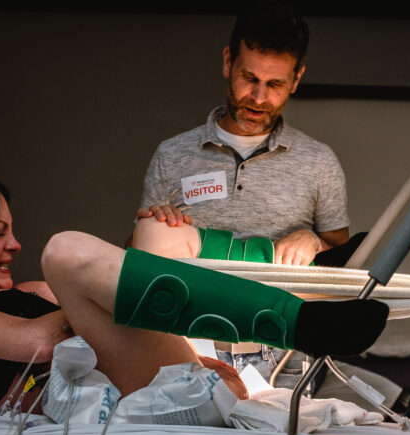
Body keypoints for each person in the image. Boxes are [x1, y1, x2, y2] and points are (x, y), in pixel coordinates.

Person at [0, 164, 386, 413]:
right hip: (117, 400)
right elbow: (38, 344)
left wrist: (130, 283)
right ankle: (299, 322)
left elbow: (110, 324)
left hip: (165, 370)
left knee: (155, 233)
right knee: (66, 252)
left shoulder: (30, 290)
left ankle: (314, 275)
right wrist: (102, 293)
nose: (15, 245)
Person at [132, 1, 351, 386]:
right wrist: (158, 225)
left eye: (275, 84)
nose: (259, 97)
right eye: (249, 78)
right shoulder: (171, 155)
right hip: (188, 343)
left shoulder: (319, 161)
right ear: (228, 62)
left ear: (296, 79)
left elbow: (345, 262)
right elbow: (137, 266)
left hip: (282, 348)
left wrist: (314, 240)